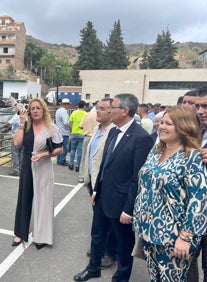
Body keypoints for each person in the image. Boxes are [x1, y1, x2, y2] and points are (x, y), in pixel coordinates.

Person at [73, 93, 153, 282]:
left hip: (122, 202)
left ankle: (121, 277)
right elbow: (104, 165)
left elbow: (137, 177)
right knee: (97, 235)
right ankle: (93, 268)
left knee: (124, 244)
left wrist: (128, 208)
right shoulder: (114, 131)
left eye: (112, 108)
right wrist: (96, 189)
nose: (109, 111)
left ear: (125, 111)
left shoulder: (141, 137)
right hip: (102, 197)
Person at [133, 106, 207, 281]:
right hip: (148, 230)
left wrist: (185, 237)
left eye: (169, 123)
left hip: (174, 237)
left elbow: (199, 201)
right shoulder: (156, 151)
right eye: (161, 122)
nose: (161, 126)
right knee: (155, 277)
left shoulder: (193, 157)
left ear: (184, 127)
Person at [12, 98, 63, 250]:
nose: (35, 110)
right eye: (32, 108)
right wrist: (21, 122)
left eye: (38, 108)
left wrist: (44, 155)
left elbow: (60, 148)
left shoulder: (51, 127)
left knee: (44, 200)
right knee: (24, 198)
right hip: (28, 163)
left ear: (43, 110)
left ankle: (42, 236)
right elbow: (17, 143)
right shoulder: (26, 125)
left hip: (44, 164)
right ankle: (20, 233)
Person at [187, 86, 207, 282]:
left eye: (206, 106)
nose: (199, 111)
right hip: (191, 216)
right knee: (186, 262)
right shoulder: (195, 134)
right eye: (197, 106)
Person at [80, 98, 117, 268]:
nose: (98, 111)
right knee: (99, 219)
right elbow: (90, 155)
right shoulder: (96, 128)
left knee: (109, 222)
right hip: (93, 182)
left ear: (111, 112)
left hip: (105, 183)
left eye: (102, 108)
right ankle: (99, 248)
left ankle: (110, 253)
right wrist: (86, 178)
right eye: (97, 108)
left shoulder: (114, 132)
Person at [78, 105, 98, 182]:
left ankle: (82, 176)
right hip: (96, 137)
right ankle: (92, 176)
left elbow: (80, 126)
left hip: (87, 137)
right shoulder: (100, 115)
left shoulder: (88, 114)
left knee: (84, 157)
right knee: (94, 157)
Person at [4, 103, 25, 176]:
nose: (15, 109)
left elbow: (9, 123)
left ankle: (16, 169)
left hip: (16, 136)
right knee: (21, 153)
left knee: (15, 152)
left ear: (18, 109)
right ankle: (21, 168)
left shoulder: (17, 115)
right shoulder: (25, 114)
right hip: (23, 135)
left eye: (16, 108)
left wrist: (4, 125)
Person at [69, 100, 87, 172]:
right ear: (84, 106)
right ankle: (78, 166)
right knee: (80, 151)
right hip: (82, 134)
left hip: (74, 133)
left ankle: (71, 164)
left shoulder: (74, 113)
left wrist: (71, 132)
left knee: (72, 150)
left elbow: (70, 124)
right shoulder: (86, 114)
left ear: (78, 106)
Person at [55, 98, 71, 166]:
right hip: (64, 132)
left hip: (59, 131)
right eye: (68, 104)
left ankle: (59, 160)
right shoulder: (64, 112)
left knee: (59, 147)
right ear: (65, 104)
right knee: (64, 147)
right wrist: (70, 125)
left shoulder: (58, 111)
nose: (68, 106)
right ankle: (62, 160)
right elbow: (65, 122)